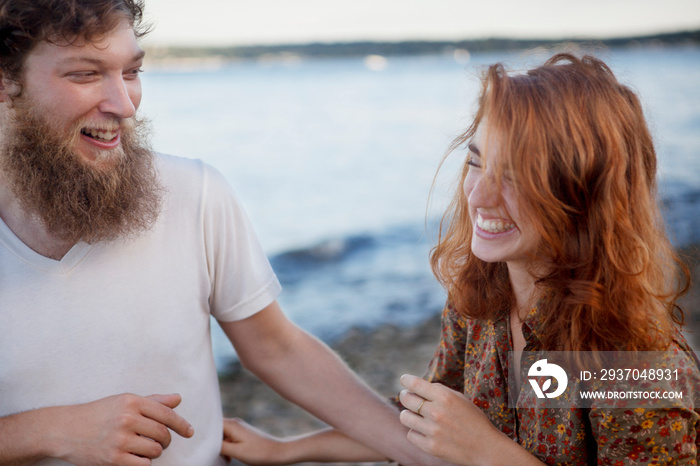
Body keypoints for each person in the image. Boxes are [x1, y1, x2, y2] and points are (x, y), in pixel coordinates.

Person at [0, 1, 451, 465]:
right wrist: (50, 431)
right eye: (85, 75)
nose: (125, 103)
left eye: (132, 72)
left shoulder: (193, 193)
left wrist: (426, 457)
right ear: (5, 80)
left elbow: (276, 348)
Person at [221, 53, 700, 464]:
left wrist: (487, 452)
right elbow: (428, 421)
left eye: (516, 174)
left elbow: (466, 438)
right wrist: (287, 449)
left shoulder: (634, 359)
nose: (480, 194)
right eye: (477, 161)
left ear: (585, 192)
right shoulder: (482, 300)